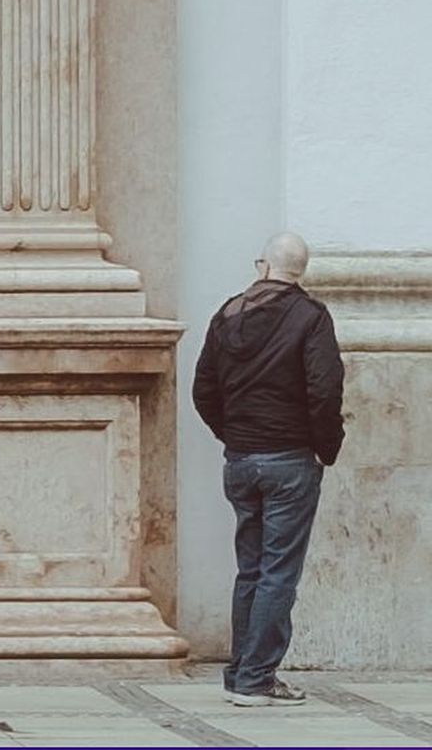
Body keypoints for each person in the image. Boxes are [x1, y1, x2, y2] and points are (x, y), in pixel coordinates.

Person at [192, 231, 344, 706]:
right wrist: (326, 447)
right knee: (278, 572)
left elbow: (203, 390)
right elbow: (325, 389)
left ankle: (241, 673)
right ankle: (257, 679)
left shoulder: (228, 313)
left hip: (241, 461)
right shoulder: (311, 317)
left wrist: (234, 435)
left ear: (263, 266)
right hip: (290, 460)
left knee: (251, 569)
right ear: (301, 270)